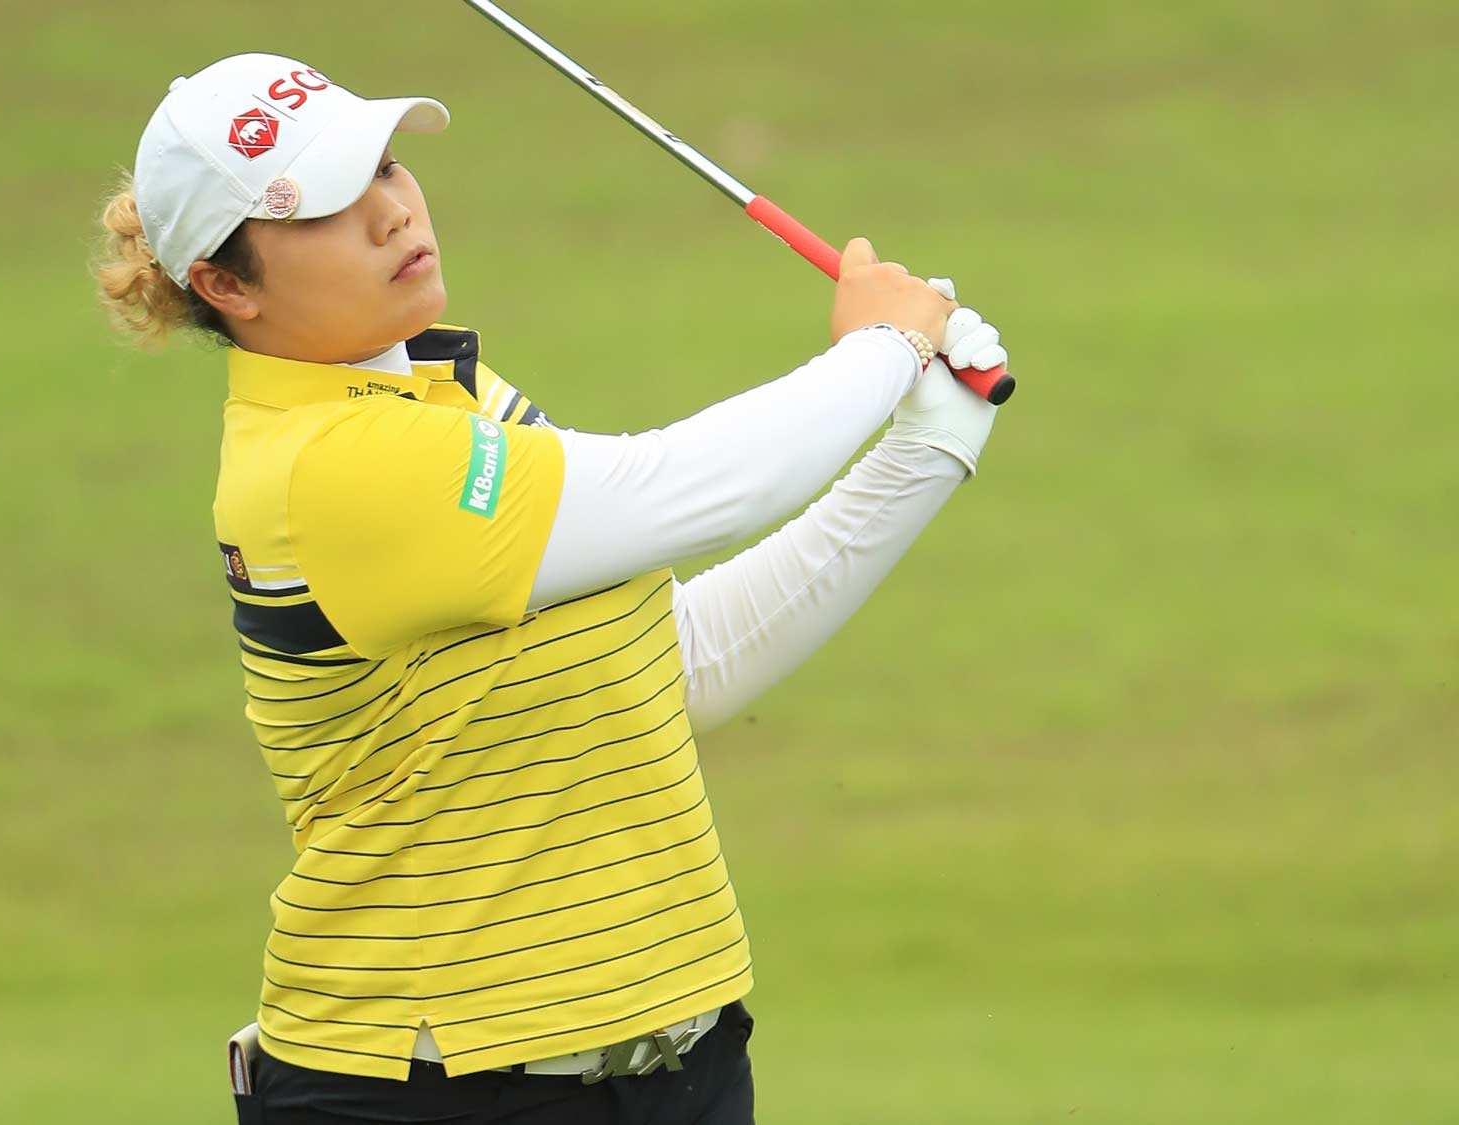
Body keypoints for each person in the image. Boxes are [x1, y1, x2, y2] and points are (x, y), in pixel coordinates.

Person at [96, 52, 1007, 1125]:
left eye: (384, 167)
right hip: (433, 1088)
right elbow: (684, 491)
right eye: (327, 207)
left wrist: (923, 450)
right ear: (225, 284)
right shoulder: (322, 464)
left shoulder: (448, 398)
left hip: (679, 1066)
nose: (391, 212)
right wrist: (885, 346)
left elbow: (670, 668)